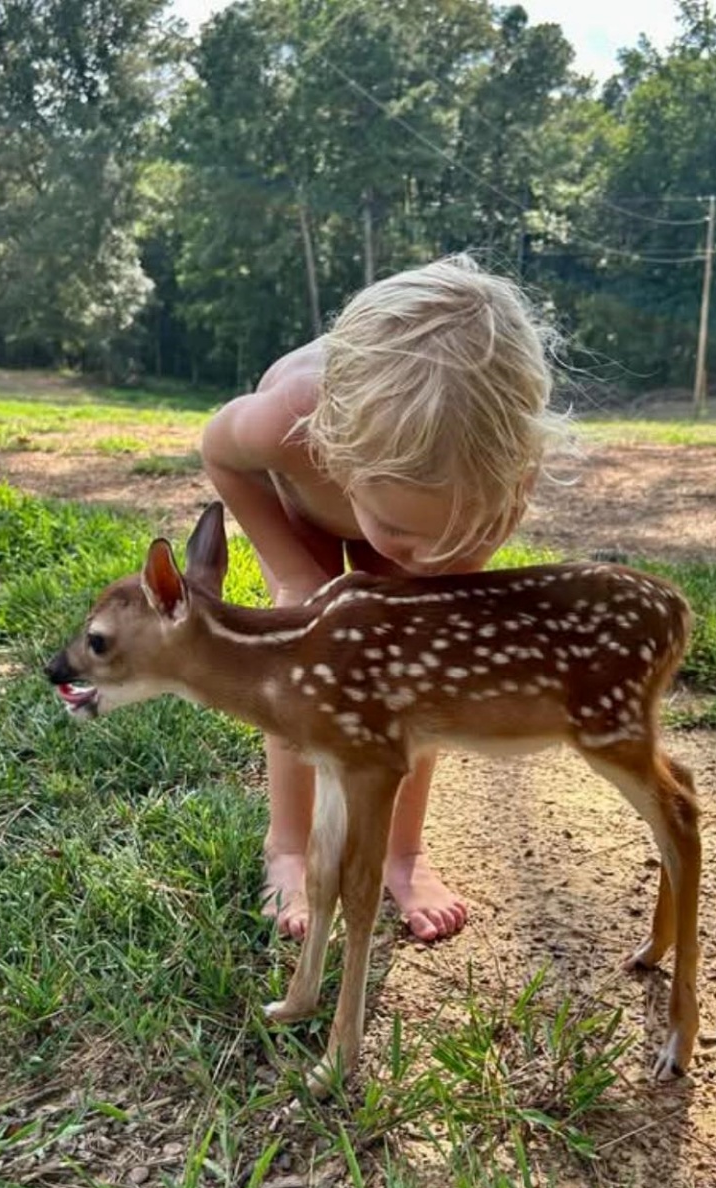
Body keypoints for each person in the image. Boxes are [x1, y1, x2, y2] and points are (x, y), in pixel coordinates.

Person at [200, 254, 568, 942]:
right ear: (339, 450)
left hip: (390, 500)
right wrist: (295, 574)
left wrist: (441, 555)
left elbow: (434, 553)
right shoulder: (289, 418)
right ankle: (288, 845)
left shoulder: (505, 463)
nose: (424, 562)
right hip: (307, 506)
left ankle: (404, 853)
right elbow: (218, 453)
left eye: (459, 532)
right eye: (403, 531)